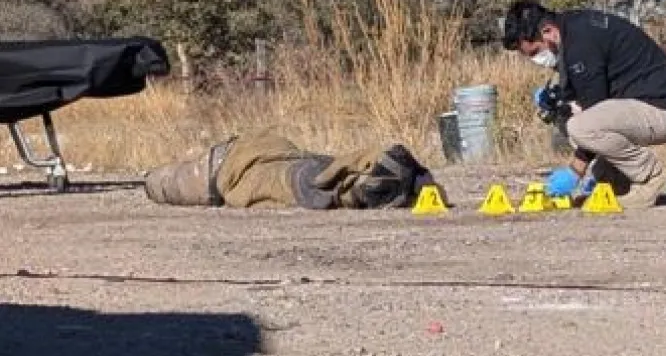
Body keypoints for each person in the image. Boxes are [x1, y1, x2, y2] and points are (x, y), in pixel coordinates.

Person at [501, 0, 666, 210]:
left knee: (580, 127)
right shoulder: (571, 31)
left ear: (547, 31)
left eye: (535, 52)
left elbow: (594, 110)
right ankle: (619, 180)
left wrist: (575, 170)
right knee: (572, 123)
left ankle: (652, 178)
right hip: (641, 105)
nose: (537, 60)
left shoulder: (581, 43)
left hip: (664, 111)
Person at [143, 132, 444, 210]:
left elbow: (160, 184)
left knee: (294, 178)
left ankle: (366, 183)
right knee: (302, 172)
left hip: (230, 169)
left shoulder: (186, 179)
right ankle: (371, 179)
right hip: (262, 154)